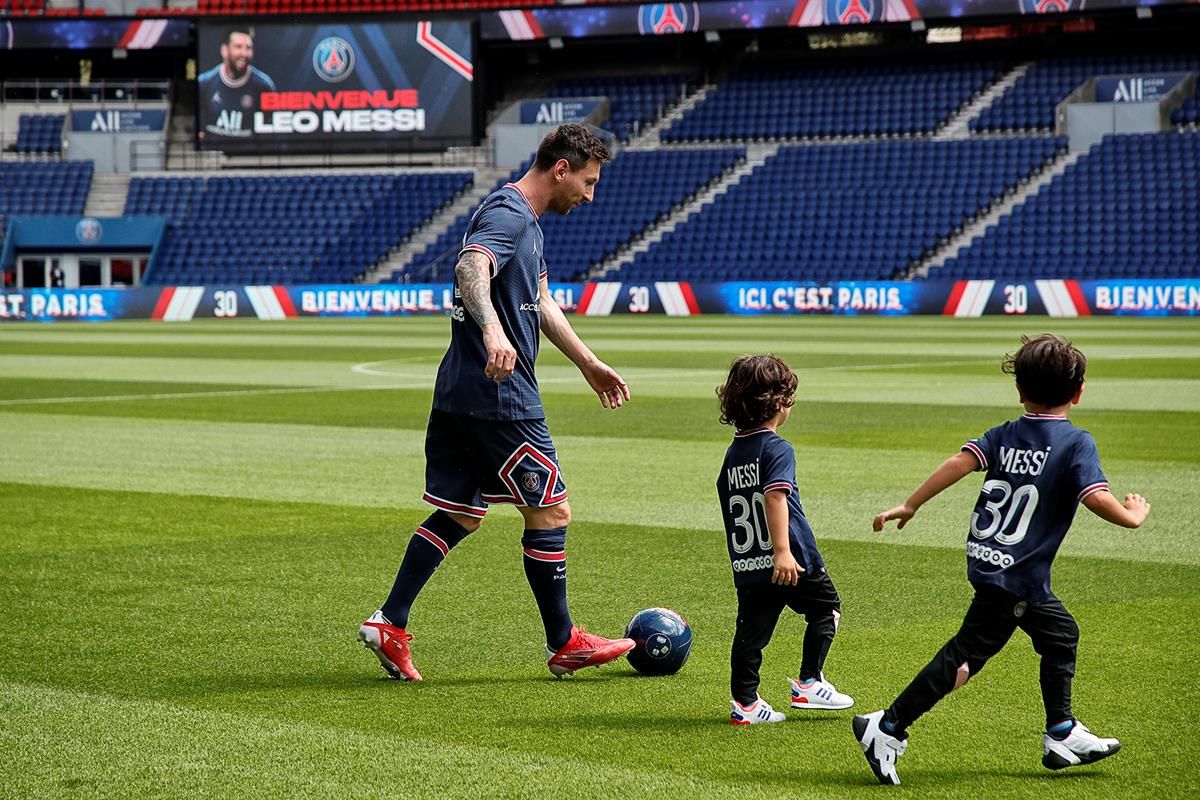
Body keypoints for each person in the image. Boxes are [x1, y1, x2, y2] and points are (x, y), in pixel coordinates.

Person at [358, 124, 635, 681]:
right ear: (562, 168)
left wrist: (587, 362)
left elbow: (541, 302)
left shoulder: (524, 222)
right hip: (501, 397)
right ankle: (564, 642)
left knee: (462, 512)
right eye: (588, 181)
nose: (590, 194)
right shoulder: (509, 214)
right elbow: (469, 268)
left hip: (460, 392)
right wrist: (493, 331)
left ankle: (389, 621)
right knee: (552, 511)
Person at [855, 334, 1150, 785]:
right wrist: (1132, 516)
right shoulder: (1075, 443)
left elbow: (959, 461)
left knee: (1060, 633)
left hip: (992, 561)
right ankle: (888, 727)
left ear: (1020, 390)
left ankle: (1062, 731)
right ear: (1079, 391)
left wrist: (912, 503)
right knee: (964, 659)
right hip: (1018, 577)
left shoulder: (1004, 433)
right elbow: (1095, 497)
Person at [716, 354, 854, 725]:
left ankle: (745, 704)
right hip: (789, 558)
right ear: (778, 403)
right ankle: (809, 681)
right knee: (827, 607)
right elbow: (775, 496)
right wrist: (782, 551)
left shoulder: (733, 454)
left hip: (748, 561)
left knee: (751, 633)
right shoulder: (777, 448)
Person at [198, 27, 275, 139]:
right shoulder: (204, 83)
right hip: (213, 154)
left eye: (248, 48)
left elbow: (270, 131)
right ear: (224, 50)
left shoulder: (264, 86)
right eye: (238, 47)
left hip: (249, 155)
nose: (244, 53)